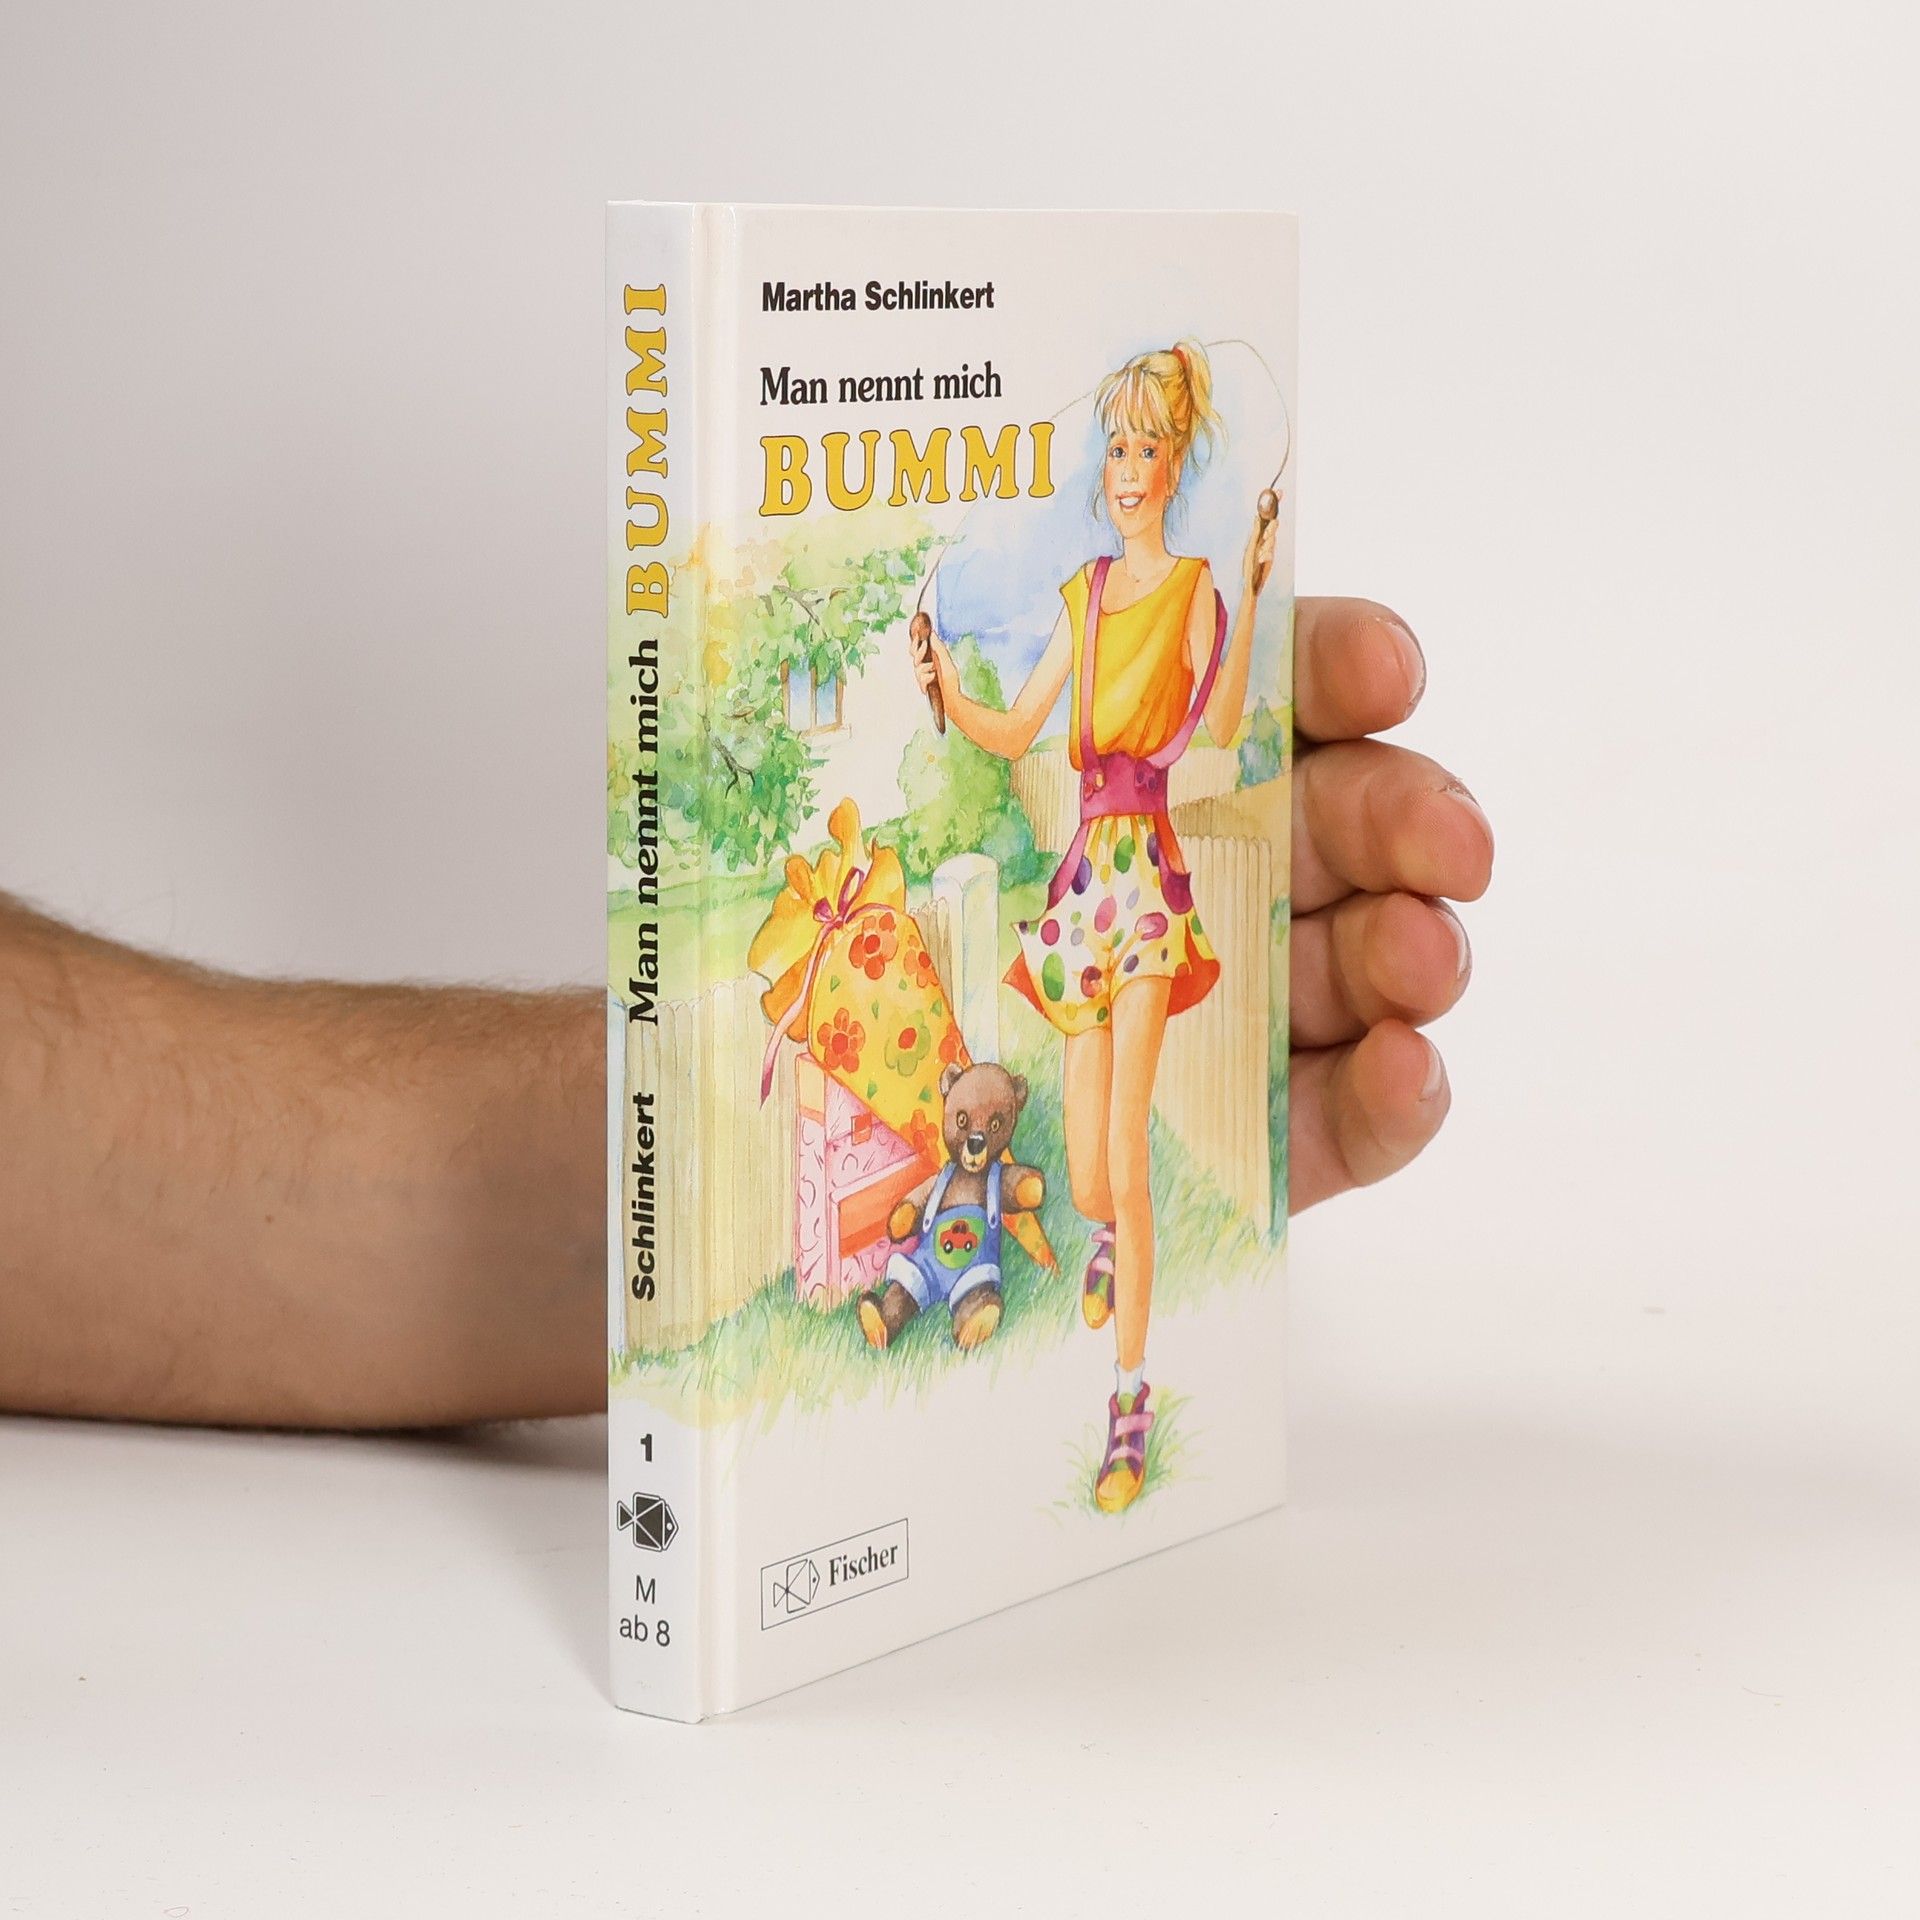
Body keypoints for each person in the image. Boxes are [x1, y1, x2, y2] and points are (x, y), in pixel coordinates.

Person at [0, 593, 1491, 1433]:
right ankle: (998, 1287)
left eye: (1149, 450)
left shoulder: (1175, 604)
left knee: (1108, 1171)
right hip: (1095, 886)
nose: (1132, 469)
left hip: (1140, 875)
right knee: (1090, 1171)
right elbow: (1014, 725)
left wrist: (1250, 601)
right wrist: (942, 683)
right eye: (1125, 449)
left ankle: (1120, 1393)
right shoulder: (1088, 606)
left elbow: (1202, 713)